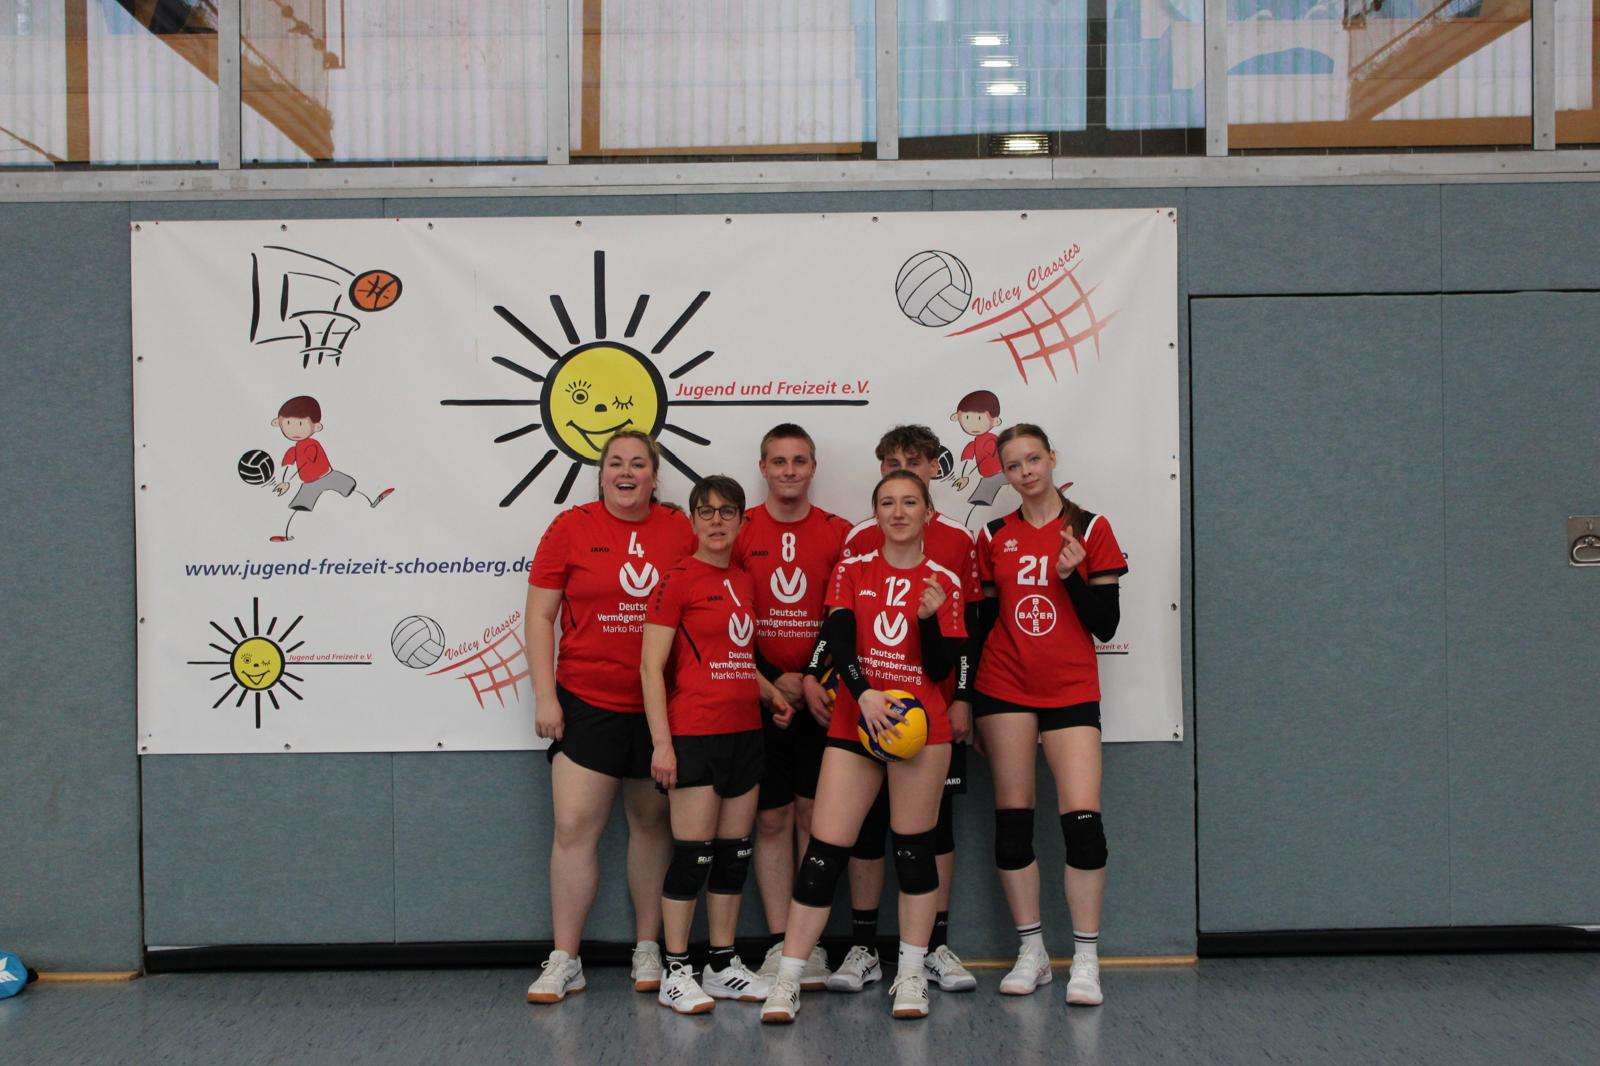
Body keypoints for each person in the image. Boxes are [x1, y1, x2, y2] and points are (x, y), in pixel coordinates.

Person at [760, 470, 967, 1024]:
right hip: (856, 722)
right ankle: (787, 980)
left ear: (928, 512)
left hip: (921, 730)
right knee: (824, 853)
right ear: (875, 513)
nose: (898, 512)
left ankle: (911, 975)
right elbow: (839, 638)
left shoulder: (944, 579)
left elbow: (941, 669)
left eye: (910, 502)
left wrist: (928, 621)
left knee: (914, 852)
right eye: (887, 503)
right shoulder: (853, 568)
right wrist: (865, 693)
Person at [523, 430, 697, 1004]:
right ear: (601, 474)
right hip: (586, 703)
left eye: (638, 464)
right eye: (616, 463)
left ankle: (647, 947)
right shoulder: (570, 528)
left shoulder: (681, 530)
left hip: (659, 710)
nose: (627, 473)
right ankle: (565, 958)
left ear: (655, 474)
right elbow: (540, 616)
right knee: (574, 829)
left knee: (651, 825)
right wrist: (545, 697)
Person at [968, 424, 1126, 1007]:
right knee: (1013, 821)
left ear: (1052, 458)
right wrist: (971, 702)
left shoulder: (1091, 527)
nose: (1026, 472)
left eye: (1034, 459)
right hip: (1004, 688)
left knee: (1083, 823)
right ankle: (1031, 951)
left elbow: (1105, 625)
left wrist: (1070, 577)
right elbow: (983, 624)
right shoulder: (993, 534)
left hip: (1070, 689)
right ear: (1004, 474)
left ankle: (1085, 957)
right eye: (1014, 465)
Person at [819, 425, 979, 996]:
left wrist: (963, 696)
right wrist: (830, 680)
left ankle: (933, 946)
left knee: (932, 828)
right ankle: (863, 946)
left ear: (934, 469)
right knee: (862, 824)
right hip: (866, 709)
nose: (901, 469)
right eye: (890, 463)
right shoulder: (861, 537)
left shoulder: (958, 538)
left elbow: (970, 628)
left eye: (913, 461)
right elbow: (839, 622)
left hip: (931, 708)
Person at [642, 474, 781, 1014]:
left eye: (727, 512)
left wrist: (770, 693)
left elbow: (737, 657)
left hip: (745, 734)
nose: (717, 521)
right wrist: (662, 744)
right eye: (706, 511)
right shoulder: (677, 579)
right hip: (694, 735)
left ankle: (721, 964)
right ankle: (676, 970)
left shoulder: (744, 580)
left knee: (733, 855)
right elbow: (650, 668)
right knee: (692, 856)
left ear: (742, 521)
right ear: (693, 520)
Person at [731, 425, 850, 990]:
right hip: (758, 693)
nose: (789, 471)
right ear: (763, 467)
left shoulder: (838, 532)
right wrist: (768, 680)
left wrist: (811, 677)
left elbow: (846, 616)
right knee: (771, 818)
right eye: (778, 461)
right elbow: (723, 611)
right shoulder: (740, 529)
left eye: (799, 460)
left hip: (821, 697)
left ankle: (811, 945)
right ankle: (782, 943)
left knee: (812, 816)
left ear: (813, 467)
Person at [268, 394, 392, 542]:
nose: (294, 430)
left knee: (350, 488)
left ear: (316, 426)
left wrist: (289, 481)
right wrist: (285, 482)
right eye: (288, 423)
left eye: (300, 424)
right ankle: (288, 534)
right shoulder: (292, 450)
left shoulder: (312, 445)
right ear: (278, 423)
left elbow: (305, 464)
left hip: (327, 475)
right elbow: (289, 466)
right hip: (309, 484)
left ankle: (373, 500)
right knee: (300, 506)